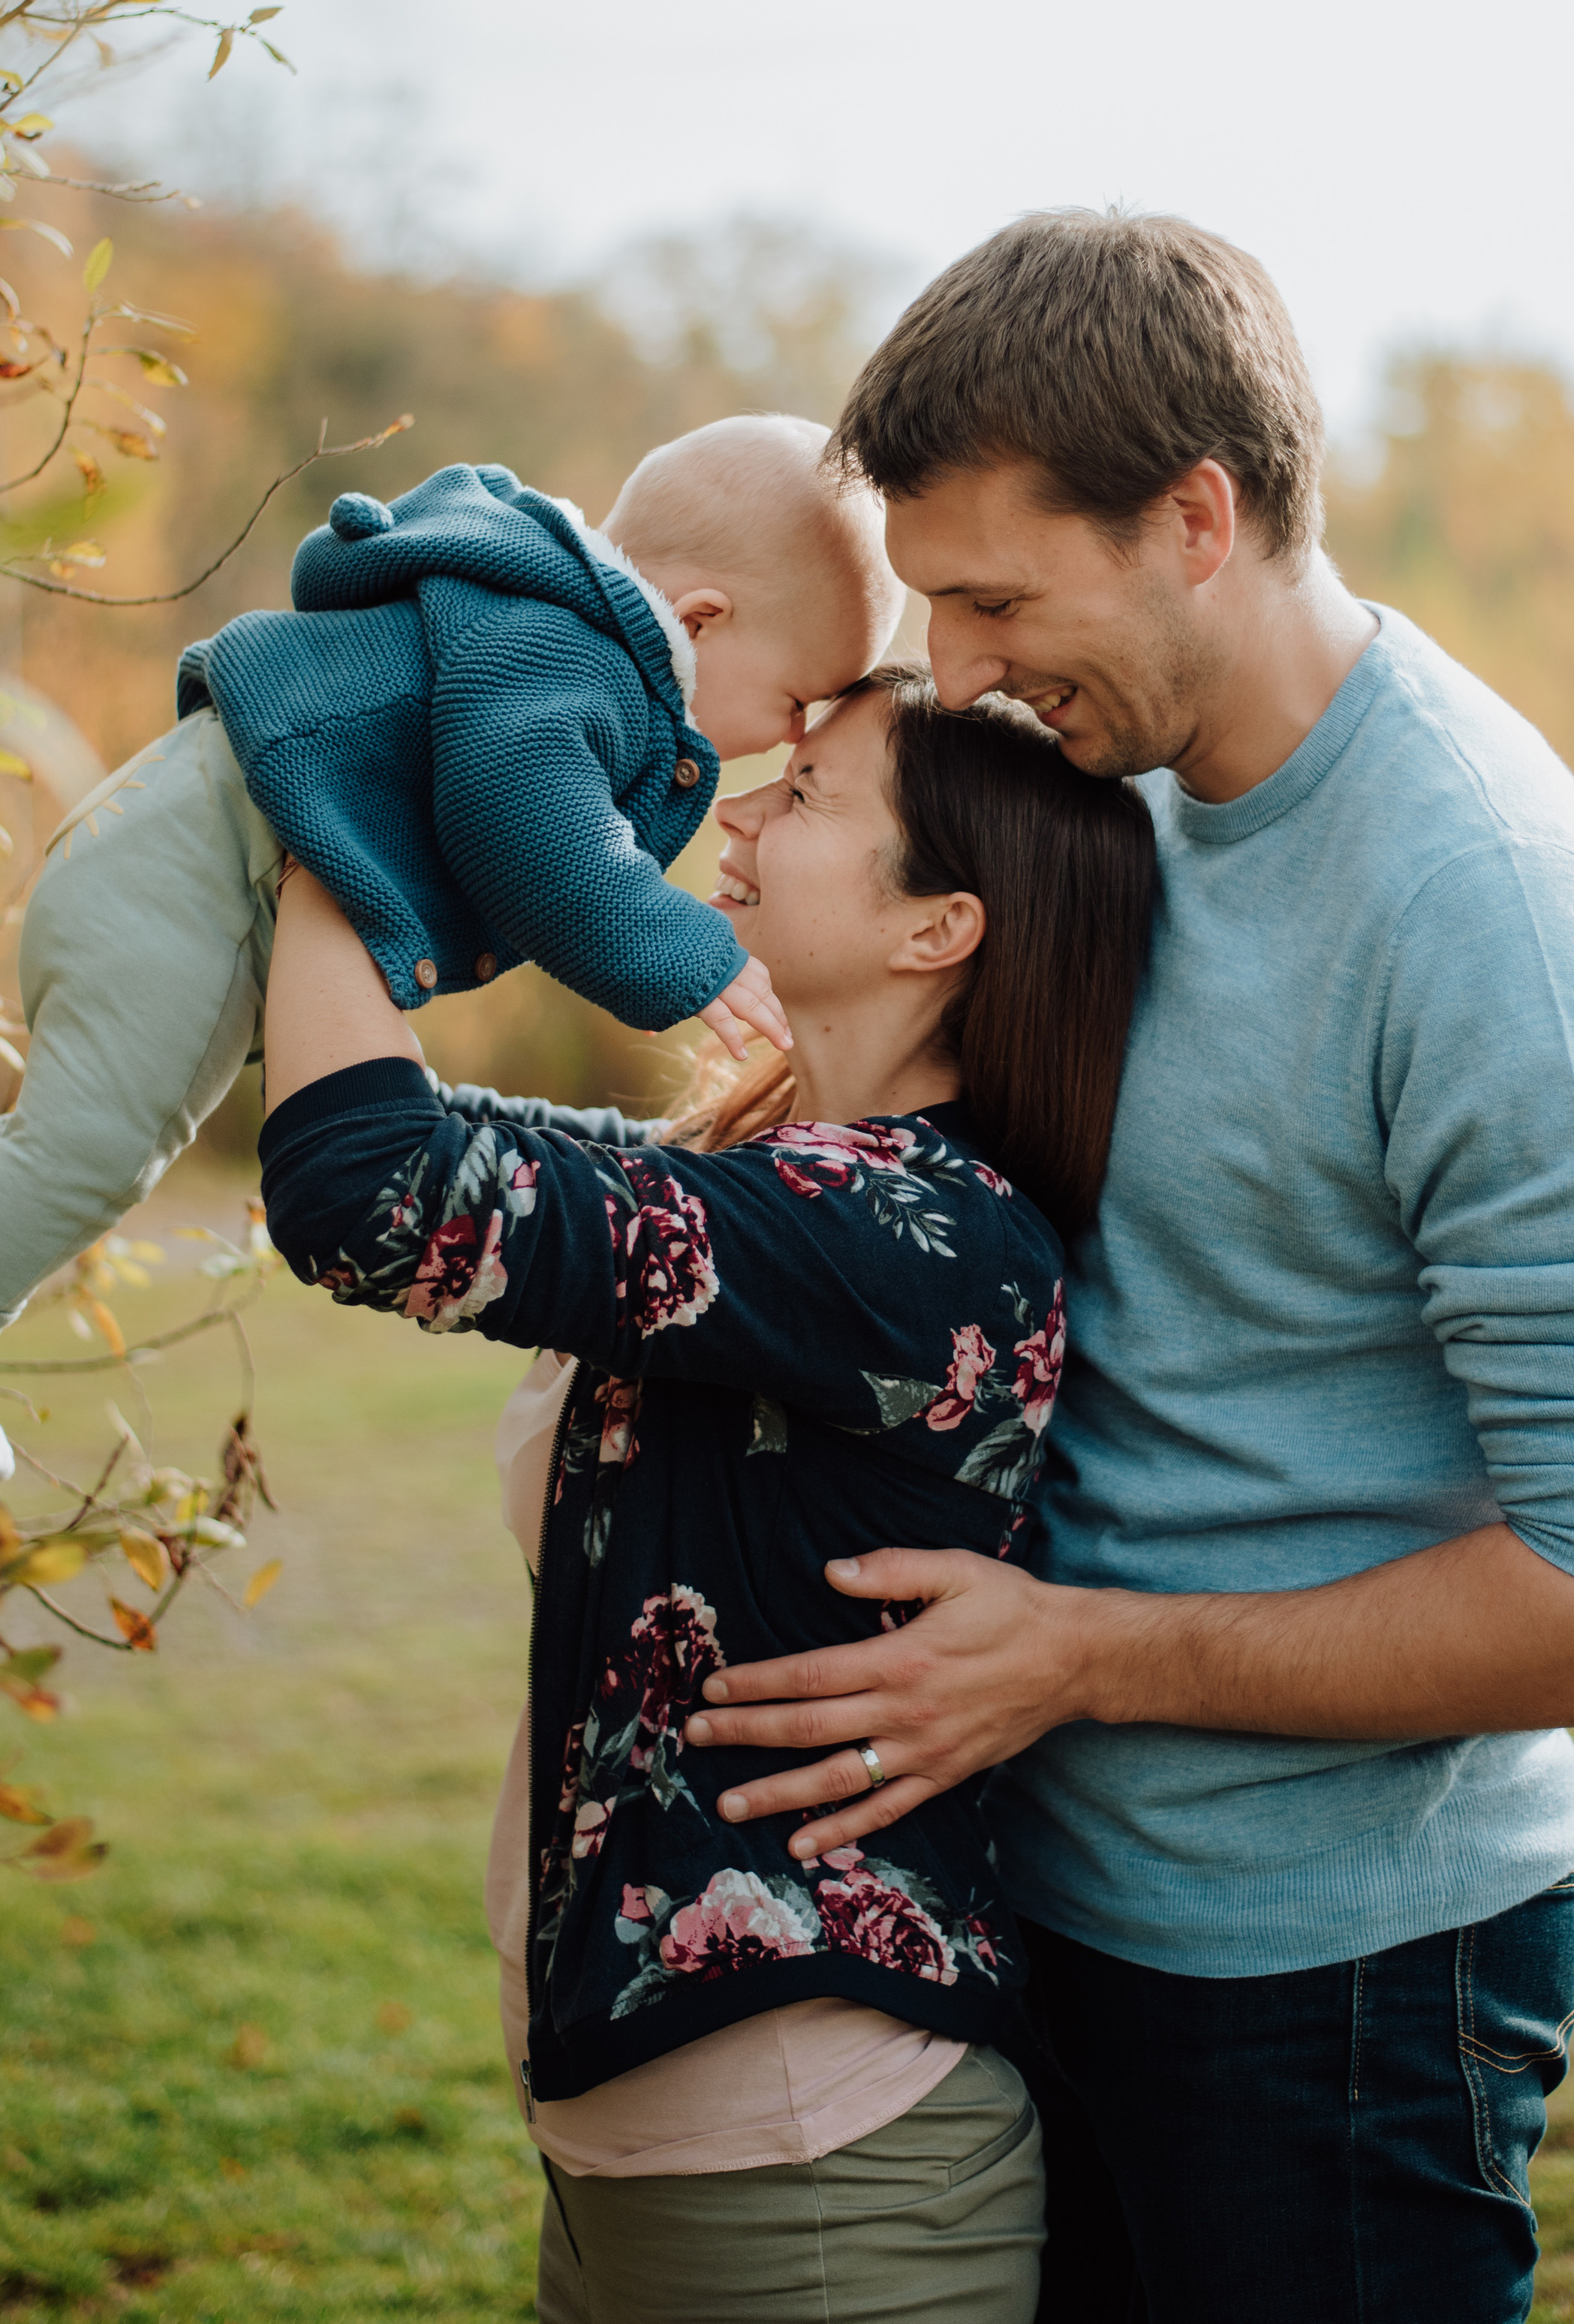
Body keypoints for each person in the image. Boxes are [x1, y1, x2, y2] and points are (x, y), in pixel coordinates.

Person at [679, 212, 1574, 2321]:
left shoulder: (1484, 910)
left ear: (1196, 517)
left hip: (1339, 1984)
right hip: (1034, 1904)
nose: (959, 670)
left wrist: (1073, 1654)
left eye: (993, 599)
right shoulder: (1109, 785)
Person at [256, 665, 1157, 2324]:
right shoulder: (779, 1189)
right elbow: (417, 1137)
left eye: (805, 797)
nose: (740, 811)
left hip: (812, 2179)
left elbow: (372, 1192)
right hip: (666, 2153)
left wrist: (327, 807)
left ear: (934, 927)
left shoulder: (913, 1233)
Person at [0, 415, 895, 1510]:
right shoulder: (569, 651)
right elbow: (531, 827)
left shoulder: (546, 626)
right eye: (796, 703)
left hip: (191, 858)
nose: (791, 739)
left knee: (119, 1135)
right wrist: (686, 954)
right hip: (190, 866)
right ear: (702, 618)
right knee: (91, 1142)